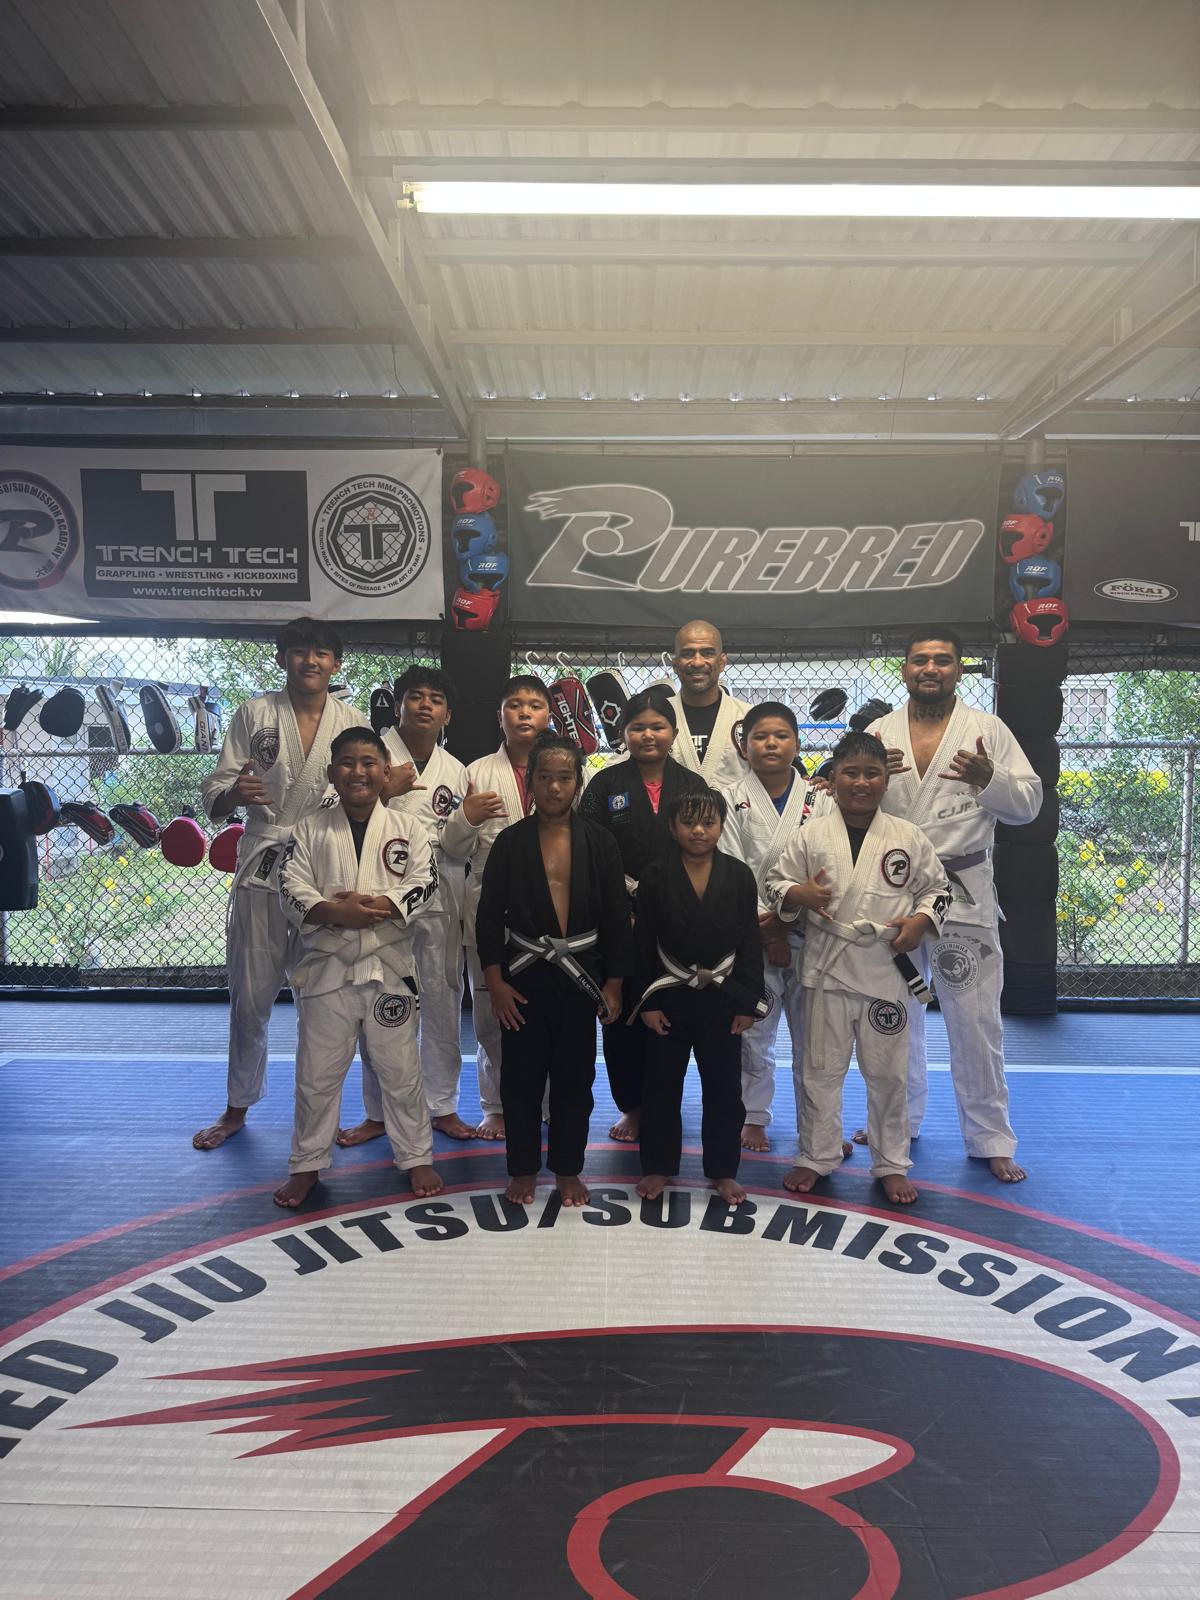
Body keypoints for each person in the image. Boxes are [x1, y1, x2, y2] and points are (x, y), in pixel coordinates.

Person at [865, 630, 1041, 1183]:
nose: (930, 668)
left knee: (976, 1019)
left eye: (942, 660)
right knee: (892, 1016)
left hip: (962, 891)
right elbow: (840, 798)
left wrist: (989, 778)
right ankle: (897, 1124)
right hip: (893, 892)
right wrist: (871, 779)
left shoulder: (987, 730)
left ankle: (990, 1136)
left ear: (959, 670)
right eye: (920, 659)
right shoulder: (878, 733)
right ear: (904, 669)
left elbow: (1029, 806)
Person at [193, 618, 363, 1151]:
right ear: (282, 659)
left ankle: (321, 1114)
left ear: (335, 663)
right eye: (298, 651)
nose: (309, 660)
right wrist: (236, 795)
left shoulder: (352, 719)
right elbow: (218, 788)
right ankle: (236, 1105)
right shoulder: (254, 713)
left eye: (320, 652)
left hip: (325, 865)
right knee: (250, 992)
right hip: (265, 858)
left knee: (327, 1000)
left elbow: (365, 790)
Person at [766, 732, 951, 1206]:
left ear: (886, 780)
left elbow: (938, 889)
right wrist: (797, 896)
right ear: (833, 778)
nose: (861, 782)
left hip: (884, 971)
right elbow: (775, 882)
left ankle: (891, 1161)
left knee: (888, 1074)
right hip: (825, 970)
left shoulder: (907, 836)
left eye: (872, 773)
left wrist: (922, 920)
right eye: (851, 772)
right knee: (819, 1070)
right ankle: (816, 1154)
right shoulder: (811, 835)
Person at [274, 727, 442, 1208]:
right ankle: (307, 1163)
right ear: (332, 774)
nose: (358, 771)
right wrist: (333, 912)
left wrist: (379, 905)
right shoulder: (308, 828)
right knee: (316, 1073)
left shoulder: (410, 829)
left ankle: (416, 1155)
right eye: (347, 763)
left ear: (385, 771)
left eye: (369, 762)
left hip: (388, 967)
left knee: (400, 1068)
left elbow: (425, 882)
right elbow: (290, 886)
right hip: (328, 970)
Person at [475, 732, 631, 1207]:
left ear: (577, 783)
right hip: (523, 976)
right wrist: (495, 981)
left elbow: (614, 916)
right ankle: (523, 1169)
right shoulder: (509, 842)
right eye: (545, 777)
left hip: (579, 976)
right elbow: (488, 917)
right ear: (531, 784)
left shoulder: (600, 841)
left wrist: (615, 981)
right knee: (520, 1079)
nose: (555, 787)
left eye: (565, 777)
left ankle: (567, 1169)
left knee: (574, 1080)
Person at [341, 666, 474, 1147]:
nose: (424, 705)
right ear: (396, 706)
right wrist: (383, 790)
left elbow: (460, 845)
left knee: (442, 994)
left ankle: (442, 1105)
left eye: (435, 699)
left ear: (447, 713)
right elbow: (329, 812)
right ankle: (378, 1111)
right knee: (379, 996)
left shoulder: (456, 770)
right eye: (414, 696)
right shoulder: (368, 756)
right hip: (378, 887)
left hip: (440, 891)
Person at [579, 690, 708, 1141]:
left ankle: (664, 1102)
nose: (648, 735)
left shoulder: (694, 785)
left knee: (670, 1011)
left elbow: (703, 851)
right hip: (619, 918)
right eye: (638, 727)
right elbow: (589, 853)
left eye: (657, 726)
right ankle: (632, 1106)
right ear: (623, 733)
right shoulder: (604, 786)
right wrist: (622, 909)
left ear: (674, 733)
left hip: (676, 915)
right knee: (623, 1014)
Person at [632, 787, 767, 1206]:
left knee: (724, 1089)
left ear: (721, 826)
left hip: (721, 997)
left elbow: (749, 941)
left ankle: (723, 1170)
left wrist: (747, 1003)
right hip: (669, 994)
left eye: (708, 822)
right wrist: (646, 1004)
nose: (698, 830)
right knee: (659, 1087)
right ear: (672, 827)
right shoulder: (655, 875)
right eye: (688, 822)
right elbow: (641, 943)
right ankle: (657, 1166)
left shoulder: (739, 875)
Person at [720, 701, 841, 1153]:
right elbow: (730, 869)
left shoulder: (823, 799)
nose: (771, 744)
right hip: (753, 934)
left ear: (797, 742)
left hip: (814, 934)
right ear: (744, 746)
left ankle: (820, 1124)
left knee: (818, 1038)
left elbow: (831, 869)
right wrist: (767, 931)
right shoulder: (728, 799)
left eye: (781, 736)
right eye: (760, 737)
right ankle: (754, 1116)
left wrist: (791, 917)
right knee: (755, 1027)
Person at [441, 674, 553, 1139]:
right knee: (490, 1015)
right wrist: (467, 817)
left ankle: (545, 1103)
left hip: (552, 907)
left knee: (546, 1009)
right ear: (499, 717)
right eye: (514, 705)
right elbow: (450, 847)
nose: (524, 713)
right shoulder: (475, 772)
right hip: (490, 904)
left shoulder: (565, 768)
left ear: (549, 715)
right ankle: (497, 1105)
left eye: (534, 705)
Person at [667, 619, 751, 789]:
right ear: (675, 664)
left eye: (707, 653)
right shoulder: (655, 717)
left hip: (733, 816)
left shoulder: (748, 717)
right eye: (688, 653)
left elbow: (778, 775)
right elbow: (616, 772)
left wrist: (813, 785)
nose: (697, 662)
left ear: (722, 662)